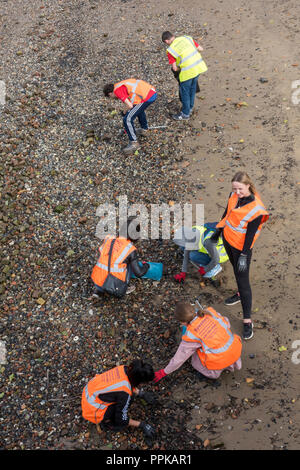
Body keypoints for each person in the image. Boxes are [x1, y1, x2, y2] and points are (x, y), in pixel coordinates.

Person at [213, 171, 269, 340]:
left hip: (241, 248)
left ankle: (247, 320)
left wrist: (244, 255)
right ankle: (239, 295)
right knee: (237, 274)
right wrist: (217, 232)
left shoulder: (257, 210)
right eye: (235, 189)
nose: (237, 193)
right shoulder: (233, 195)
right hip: (228, 240)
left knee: (243, 281)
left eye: (240, 189)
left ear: (249, 186)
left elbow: (250, 236)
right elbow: (227, 213)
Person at [153, 302, 242, 384]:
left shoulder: (191, 335)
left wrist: (164, 372)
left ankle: (213, 372)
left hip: (219, 362)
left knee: (195, 358)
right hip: (235, 351)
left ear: (183, 322)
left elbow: (179, 358)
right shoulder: (211, 313)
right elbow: (227, 324)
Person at [82, 359, 156, 438]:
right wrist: (142, 425)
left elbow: (125, 381)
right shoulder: (125, 394)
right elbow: (121, 419)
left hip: (89, 392)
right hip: (92, 410)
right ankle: (107, 422)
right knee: (121, 420)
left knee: (127, 397)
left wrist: (141, 393)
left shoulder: (123, 368)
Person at [91, 216, 149, 297]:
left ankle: (98, 291)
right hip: (114, 287)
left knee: (109, 258)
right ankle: (125, 287)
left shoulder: (108, 238)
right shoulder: (130, 249)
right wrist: (146, 266)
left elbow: (101, 251)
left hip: (96, 279)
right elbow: (138, 273)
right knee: (128, 262)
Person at [103, 79, 157, 155]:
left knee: (127, 119)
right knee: (138, 110)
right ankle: (144, 130)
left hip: (147, 97)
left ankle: (134, 143)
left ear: (110, 94)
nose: (113, 98)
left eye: (110, 97)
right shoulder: (119, 85)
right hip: (151, 92)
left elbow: (129, 105)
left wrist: (124, 112)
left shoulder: (117, 91)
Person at [161, 31, 207, 120]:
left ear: (166, 41)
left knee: (185, 92)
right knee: (193, 88)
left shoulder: (171, 50)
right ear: (173, 36)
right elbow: (201, 49)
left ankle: (185, 114)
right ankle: (189, 108)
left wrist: (180, 68)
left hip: (187, 72)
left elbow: (175, 68)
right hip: (198, 68)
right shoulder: (187, 38)